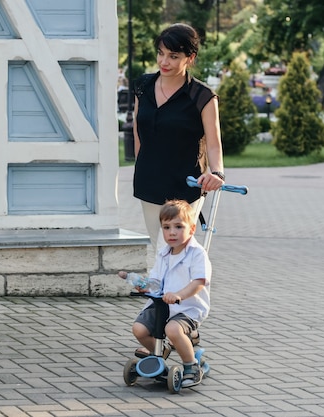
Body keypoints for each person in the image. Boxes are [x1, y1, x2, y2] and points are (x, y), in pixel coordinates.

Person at [132, 23, 225, 249]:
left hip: (186, 186)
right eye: (161, 54)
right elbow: (138, 130)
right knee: (160, 249)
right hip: (150, 183)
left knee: (179, 248)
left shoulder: (202, 97)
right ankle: (169, 285)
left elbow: (214, 144)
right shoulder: (143, 86)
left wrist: (217, 172)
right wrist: (140, 165)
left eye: (173, 56)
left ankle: (190, 285)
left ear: (189, 58)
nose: (164, 62)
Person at [119, 199, 211, 387]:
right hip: (162, 305)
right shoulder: (163, 254)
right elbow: (156, 281)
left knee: (173, 329)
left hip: (187, 307)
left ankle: (191, 366)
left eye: (178, 226)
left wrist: (179, 295)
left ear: (192, 229)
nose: (172, 232)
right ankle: (160, 351)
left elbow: (199, 282)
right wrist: (143, 285)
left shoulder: (197, 253)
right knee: (139, 329)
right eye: (166, 227)